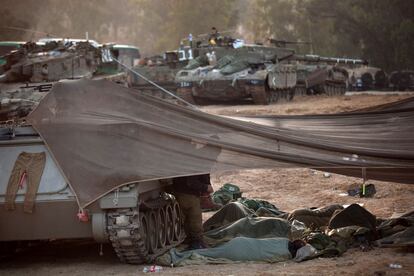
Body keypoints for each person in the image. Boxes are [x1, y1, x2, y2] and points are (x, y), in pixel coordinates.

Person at [172, 174, 211, 249]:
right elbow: (191, 182)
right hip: (189, 193)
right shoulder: (196, 165)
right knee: (195, 218)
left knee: (187, 218)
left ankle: (190, 239)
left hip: (180, 191)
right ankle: (197, 242)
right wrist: (206, 187)